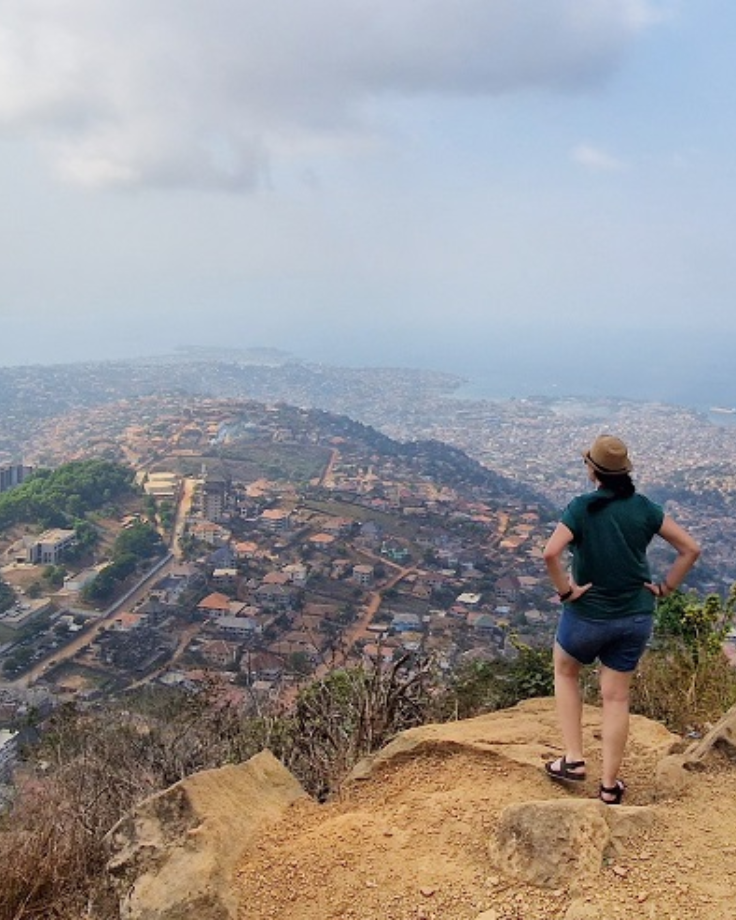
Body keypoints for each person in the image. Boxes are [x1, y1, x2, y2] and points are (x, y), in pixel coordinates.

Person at [542, 434, 700, 804]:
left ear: (592, 470)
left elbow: (550, 553)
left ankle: (574, 759)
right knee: (615, 698)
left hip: (586, 615)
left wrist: (566, 590)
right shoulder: (644, 508)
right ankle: (610, 787)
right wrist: (666, 588)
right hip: (634, 617)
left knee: (566, 671)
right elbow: (690, 549)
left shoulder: (582, 508)